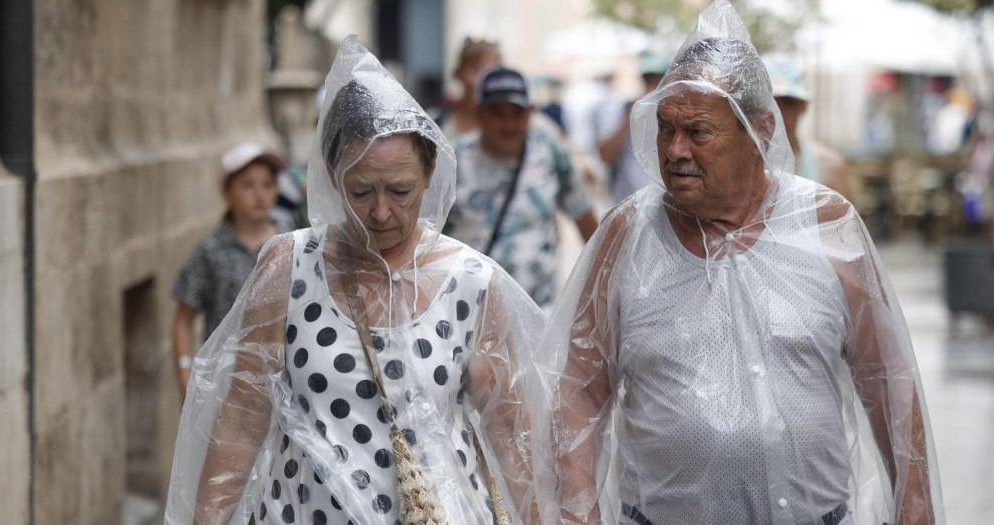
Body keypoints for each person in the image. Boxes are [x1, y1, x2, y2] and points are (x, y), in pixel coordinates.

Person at [532, 2, 944, 524]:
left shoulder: (825, 223)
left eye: (699, 132)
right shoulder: (627, 234)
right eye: (665, 128)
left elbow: (888, 378)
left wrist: (914, 502)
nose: (676, 150)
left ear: (761, 132)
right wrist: (576, 509)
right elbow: (575, 387)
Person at [165, 37, 547, 524]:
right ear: (331, 175)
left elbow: (511, 433)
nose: (382, 212)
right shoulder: (289, 265)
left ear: (431, 171)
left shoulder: (471, 282)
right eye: (361, 190)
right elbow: (241, 414)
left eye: (401, 190)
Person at [444, 67, 599, 309]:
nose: (508, 124)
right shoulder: (450, 159)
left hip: (536, 315)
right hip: (463, 313)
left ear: (530, 113)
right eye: (497, 113)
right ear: (479, 114)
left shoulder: (550, 153)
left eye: (517, 113)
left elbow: (587, 220)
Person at [170, 142, 284, 400]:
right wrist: (185, 375)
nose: (259, 194)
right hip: (224, 386)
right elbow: (183, 319)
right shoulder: (211, 250)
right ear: (227, 192)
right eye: (248, 185)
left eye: (267, 184)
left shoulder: (289, 244)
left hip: (282, 383)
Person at [762, 53, 852, 200]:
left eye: (788, 102)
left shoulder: (829, 168)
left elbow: (847, 221)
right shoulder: (740, 167)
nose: (779, 111)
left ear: (803, 106)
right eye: (771, 102)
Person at [597, 53, 668, 204]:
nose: (652, 87)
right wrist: (629, 119)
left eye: (658, 81)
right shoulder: (623, 111)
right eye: (648, 81)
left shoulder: (675, 116)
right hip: (629, 206)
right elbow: (605, 156)